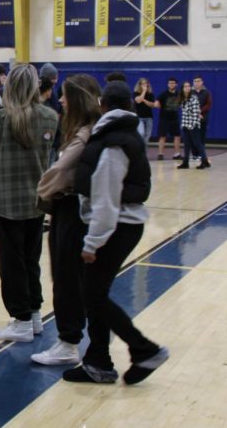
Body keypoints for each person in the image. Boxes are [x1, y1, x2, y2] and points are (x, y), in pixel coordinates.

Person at [64, 81, 169, 385]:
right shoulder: (124, 132)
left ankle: (145, 349)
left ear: (102, 104)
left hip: (117, 226)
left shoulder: (113, 143)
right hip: (123, 224)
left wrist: (93, 241)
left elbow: (107, 198)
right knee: (94, 294)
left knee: (93, 297)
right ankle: (98, 362)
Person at [0, 64, 59, 343]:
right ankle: (34, 314)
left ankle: (21, 318)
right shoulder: (50, 117)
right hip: (38, 201)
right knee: (31, 260)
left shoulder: (1, 118)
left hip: (8, 202)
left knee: (11, 265)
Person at [34, 73, 104, 366]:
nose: (60, 100)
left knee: (67, 279)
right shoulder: (77, 130)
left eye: (64, 95)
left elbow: (58, 172)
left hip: (73, 209)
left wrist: (43, 190)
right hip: (66, 209)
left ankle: (68, 342)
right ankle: (70, 338)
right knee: (63, 277)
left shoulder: (85, 133)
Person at [176, 81, 209, 169]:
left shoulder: (193, 98)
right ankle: (185, 162)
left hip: (193, 125)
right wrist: (183, 125)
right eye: (185, 86)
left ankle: (204, 161)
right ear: (182, 89)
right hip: (185, 124)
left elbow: (196, 113)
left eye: (189, 86)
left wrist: (193, 125)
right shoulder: (182, 99)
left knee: (197, 143)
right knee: (186, 144)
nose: (187, 88)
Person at [155, 77, 182, 160]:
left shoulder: (179, 94)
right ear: (168, 84)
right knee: (162, 136)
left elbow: (181, 103)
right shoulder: (164, 94)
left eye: (173, 83)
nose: (171, 84)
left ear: (176, 84)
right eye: (170, 83)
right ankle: (160, 154)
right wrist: (157, 104)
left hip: (174, 118)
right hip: (164, 118)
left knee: (177, 136)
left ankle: (177, 154)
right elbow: (156, 102)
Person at [133, 78, 156, 143]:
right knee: (141, 133)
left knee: (147, 137)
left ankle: (144, 152)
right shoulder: (136, 93)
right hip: (139, 117)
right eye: (143, 83)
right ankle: (138, 150)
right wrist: (144, 91)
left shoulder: (150, 94)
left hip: (149, 117)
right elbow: (138, 101)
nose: (145, 85)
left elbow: (152, 105)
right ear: (139, 85)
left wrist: (144, 100)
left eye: (146, 83)